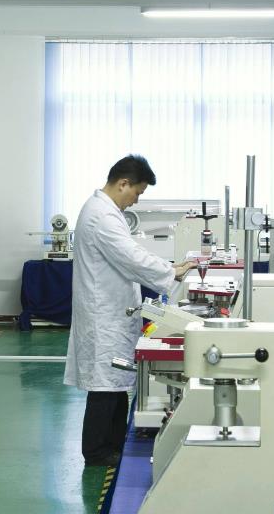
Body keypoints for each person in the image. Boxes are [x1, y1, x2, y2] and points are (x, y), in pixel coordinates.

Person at [64, 155, 196, 467]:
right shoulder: (102, 216)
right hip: (104, 315)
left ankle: (112, 445)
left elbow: (131, 254)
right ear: (123, 183)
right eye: (137, 193)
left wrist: (169, 267)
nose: (136, 200)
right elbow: (131, 257)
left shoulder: (105, 211)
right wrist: (171, 272)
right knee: (104, 387)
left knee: (115, 384)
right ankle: (97, 452)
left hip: (111, 311)